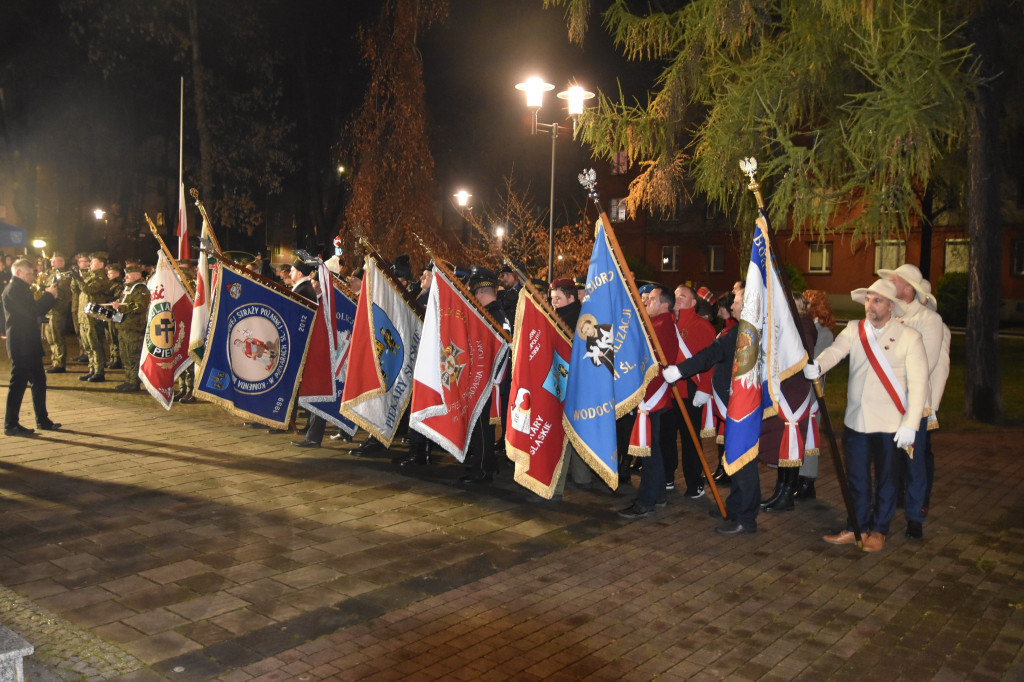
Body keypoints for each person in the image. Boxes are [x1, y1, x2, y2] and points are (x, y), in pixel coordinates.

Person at [804, 279, 928, 552]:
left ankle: (879, 530)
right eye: (868, 299)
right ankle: (856, 526)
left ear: (891, 306)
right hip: (856, 420)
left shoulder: (909, 337)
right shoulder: (854, 329)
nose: (870, 305)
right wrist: (819, 364)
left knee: (886, 479)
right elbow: (836, 351)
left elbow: (920, 385)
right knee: (857, 478)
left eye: (877, 300)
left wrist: (911, 424)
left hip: (890, 424)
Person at [663, 283, 755, 534]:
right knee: (736, 459)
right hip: (734, 403)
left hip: (743, 405)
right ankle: (736, 508)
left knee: (743, 462)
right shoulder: (738, 330)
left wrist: (683, 372)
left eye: (736, 300)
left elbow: (709, 355)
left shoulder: (746, 332)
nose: (731, 304)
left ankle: (744, 517)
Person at [880, 263, 951, 540]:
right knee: (887, 460)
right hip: (888, 401)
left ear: (908, 288)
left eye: (894, 281)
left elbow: (927, 362)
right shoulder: (891, 316)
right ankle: (885, 510)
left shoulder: (929, 321)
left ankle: (914, 517)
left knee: (914, 460)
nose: (889, 285)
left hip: (913, 402)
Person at [619, 284, 681, 519]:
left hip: (650, 395)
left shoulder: (663, 325)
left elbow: (654, 361)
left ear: (665, 304)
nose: (647, 302)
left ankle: (646, 501)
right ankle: (657, 495)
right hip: (649, 394)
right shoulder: (656, 324)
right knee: (650, 449)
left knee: (648, 451)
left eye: (652, 299)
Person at [459, 266, 511, 483]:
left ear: (480, 291)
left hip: (489, 380)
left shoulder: (492, 316)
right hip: (490, 378)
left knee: (482, 427)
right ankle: (488, 464)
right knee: (484, 427)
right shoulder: (495, 313)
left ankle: (481, 469)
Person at [663, 284, 716, 498]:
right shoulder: (666, 322)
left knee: (690, 439)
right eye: (675, 295)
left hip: (690, 390)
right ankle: (667, 476)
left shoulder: (702, 326)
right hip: (668, 391)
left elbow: (711, 361)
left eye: (682, 296)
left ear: (694, 303)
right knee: (666, 437)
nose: (677, 299)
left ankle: (695, 483)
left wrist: (705, 388)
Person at [4, 258, 61, 435]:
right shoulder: (14, 290)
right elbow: (32, 312)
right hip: (22, 345)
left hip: (28, 343)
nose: (31, 277)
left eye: (32, 273)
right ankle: (11, 424)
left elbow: (34, 311)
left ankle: (42, 420)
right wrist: (48, 296)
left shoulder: (20, 289)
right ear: (18, 272)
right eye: (28, 274)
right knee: (18, 384)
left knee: (39, 381)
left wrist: (48, 297)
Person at [792, 289, 836, 500]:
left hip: (812, 391)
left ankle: (808, 479)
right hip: (801, 389)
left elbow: (817, 361)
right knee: (800, 433)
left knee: (810, 434)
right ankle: (799, 476)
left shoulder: (824, 333)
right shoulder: (808, 329)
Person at [110, 265, 151, 392]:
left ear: (137, 275)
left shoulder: (141, 289)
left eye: (128, 274)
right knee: (125, 355)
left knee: (133, 355)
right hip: (124, 327)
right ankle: (128, 380)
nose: (125, 277)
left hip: (134, 328)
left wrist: (121, 307)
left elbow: (140, 306)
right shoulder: (128, 288)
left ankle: (134, 382)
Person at [80, 252, 114, 382]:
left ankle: (99, 371)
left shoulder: (101, 279)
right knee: (88, 344)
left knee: (95, 344)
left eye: (93, 262)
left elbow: (88, 290)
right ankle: (92, 369)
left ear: (101, 264)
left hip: (94, 316)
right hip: (84, 316)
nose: (90, 264)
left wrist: (79, 279)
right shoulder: (90, 276)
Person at [41, 252, 74, 373]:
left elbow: (61, 292)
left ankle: (60, 363)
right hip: (49, 310)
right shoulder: (52, 274)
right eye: (52, 261)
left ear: (62, 262)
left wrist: (47, 290)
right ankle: (54, 360)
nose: (52, 263)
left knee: (56, 336)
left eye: (55, 261)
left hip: (58, 309)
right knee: (50, 337)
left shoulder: (64, 275)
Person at [104, 263, 125, 370]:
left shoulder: (119, 286)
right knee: (110, 336)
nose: (108, 275)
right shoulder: (110, 284)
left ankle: (117, 359)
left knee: (114, 335)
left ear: (117, 274)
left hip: (116, 314)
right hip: (110, 313)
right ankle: (113, 357)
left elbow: (117, 299)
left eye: (110, 273)